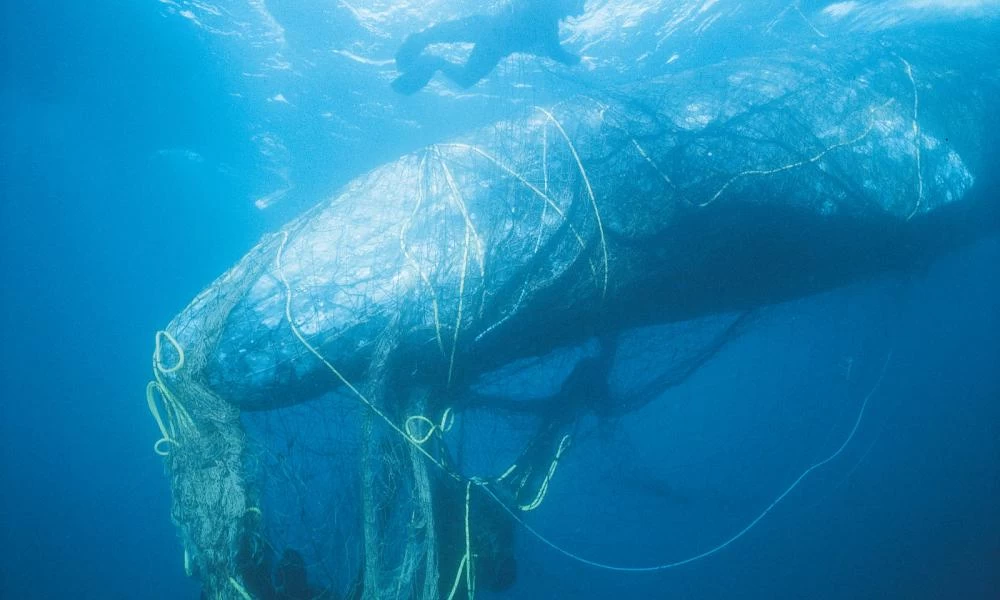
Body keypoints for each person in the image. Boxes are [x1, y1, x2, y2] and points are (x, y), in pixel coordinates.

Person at [391, 0, 586, 95]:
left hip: (488, 35)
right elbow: (555, 51)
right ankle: (430, 59)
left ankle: (429, 59)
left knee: (436, 40)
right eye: (580, 4)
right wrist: (576, 60)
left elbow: (550, 48)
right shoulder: (548, 17)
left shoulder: (548, 18)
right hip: (491, 37)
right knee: (464, 78)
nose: (581, 11)